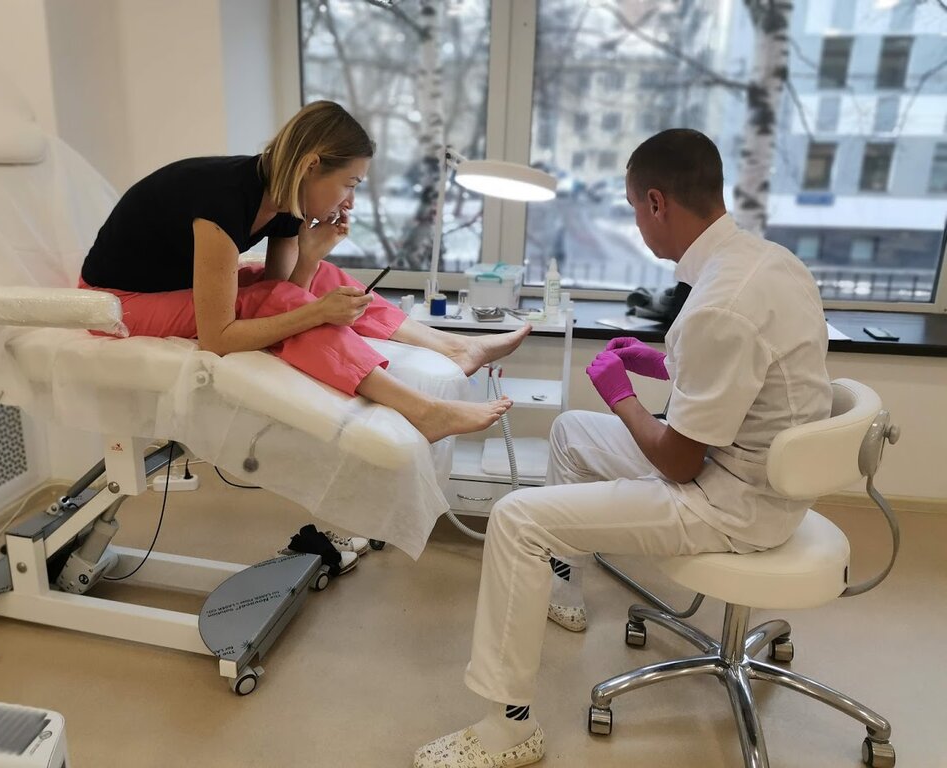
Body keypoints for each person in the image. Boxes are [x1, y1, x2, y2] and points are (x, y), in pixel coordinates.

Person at [413, 128, 832, 767]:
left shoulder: (719, 304)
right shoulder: (768, 263)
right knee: (569, 432)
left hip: (732, 501)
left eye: (635, 208)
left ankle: (509, 728)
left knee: (518, 519)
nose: (637, 224)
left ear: (657, 202)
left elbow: (679, 463)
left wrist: (621, 395)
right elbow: (749, 376)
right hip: (756, 466)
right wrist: (661, 362)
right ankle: (562, 592)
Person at [79, 100, 529, 443]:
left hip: (175, 288)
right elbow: (219, 338)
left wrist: (311, 258)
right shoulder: (223, 200)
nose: (351, 201)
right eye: (349, 184)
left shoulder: (283, 200)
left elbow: (282, 292)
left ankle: (455, 347)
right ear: (312, 166)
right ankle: (423, 411)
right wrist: (318, 314)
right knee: (297, 302)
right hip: (116, 304)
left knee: (326, 276)